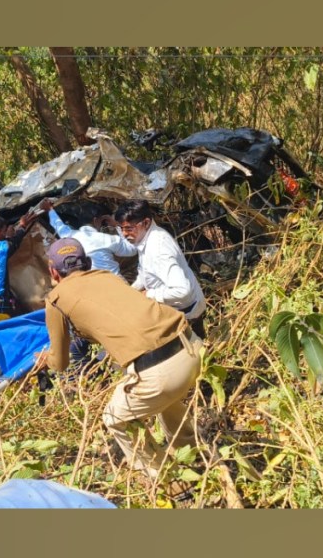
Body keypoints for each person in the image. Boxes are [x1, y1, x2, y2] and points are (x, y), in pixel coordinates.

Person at [39, 237, 204, 490]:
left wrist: (44, 360)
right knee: (164, 400)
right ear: (88, 262)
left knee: (115, 418)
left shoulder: (56, 300)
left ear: (52, 271)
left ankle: (170, 482)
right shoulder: (107, 275)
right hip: (192, 347)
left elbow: (60, 363)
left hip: (159, 372)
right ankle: (196, 456)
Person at [38, 198, 137, 373]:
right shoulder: (105, 238)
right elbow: (131, 250)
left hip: (90, 298)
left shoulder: (71, 237)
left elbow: (59, 226)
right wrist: (117, 227)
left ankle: (92, 371)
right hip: (118, 290)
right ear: (96, 221)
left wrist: (50, 210)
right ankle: (110, 367)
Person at [114, 199, 206, 336]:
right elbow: (145, 272)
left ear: (145, 223)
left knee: (193, 348)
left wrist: (149, 294)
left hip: (186, 311)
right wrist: (132, 291)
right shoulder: (144, 237)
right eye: (121, 229)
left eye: (128, 228)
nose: (125, 234)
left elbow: (182, 290)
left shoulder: (159, 249)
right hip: (178, 307)